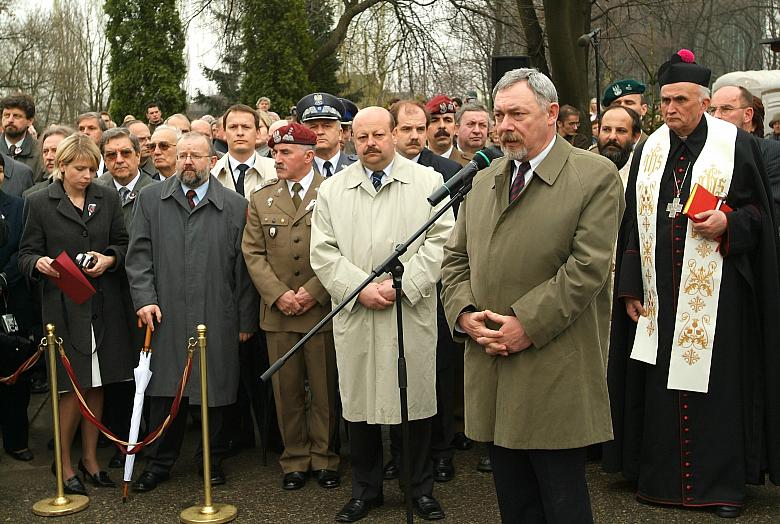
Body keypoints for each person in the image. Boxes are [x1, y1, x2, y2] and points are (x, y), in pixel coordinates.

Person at [440, 68, 624, 523]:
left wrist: (527, 324)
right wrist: (464, 314)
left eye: (517, 114)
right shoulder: (483, 180)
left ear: (552, 114)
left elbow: (588, 269)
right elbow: (454, 259)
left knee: (561, 500)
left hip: (554, 365)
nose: (504, 126)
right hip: (491, 363)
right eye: (499, 115)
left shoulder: (594, 176)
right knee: (514, 501)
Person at [603, 49, 780, 519]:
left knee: (716, 395)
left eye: (680, 100)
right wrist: (631, 287)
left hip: (720, 299)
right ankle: (659, 480)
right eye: (664, 101)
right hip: (661, 298)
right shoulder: (649, 149)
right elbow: (632, 227)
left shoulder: (735, 145)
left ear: (703, 102)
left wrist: (728, 223)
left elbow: (761, 215)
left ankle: (719, 487)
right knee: (661, 391)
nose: (669, 109)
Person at [311, 106, 454, 522]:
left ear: (393, 135)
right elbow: (324, 252)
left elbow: (442, 242)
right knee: (359, 405)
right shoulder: (334, 190)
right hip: (357, 312)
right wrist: (361, 289)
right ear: (350, 140)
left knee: (414, 402)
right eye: (361, 137)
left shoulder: (428, 182)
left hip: (408, 309)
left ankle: (418, 489)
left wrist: (401, 285)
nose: (370, 144)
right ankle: (366, 490)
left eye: (378, 135)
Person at [126, 132, 258, 492]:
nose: (187, 162)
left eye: (195, 156)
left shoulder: (233, 205)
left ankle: (211, 459)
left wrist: (245, 320)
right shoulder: (151, 199)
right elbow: (137, 257)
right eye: (182, 155)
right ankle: (158, 463)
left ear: (211, 161)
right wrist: (144, 299)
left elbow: (244, 270)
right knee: (164, 391)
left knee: (214, 390)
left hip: (217, 313)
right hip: (165, 313)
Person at [18, 133, 133, 495]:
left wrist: (109, 258)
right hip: (64, 307)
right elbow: (25, 253)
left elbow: (123, 242)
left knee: (98, 384)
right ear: (62, 167)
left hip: (104, 306)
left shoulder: (107, 196)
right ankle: (65, 464)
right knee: (71, 388)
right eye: (80, 169)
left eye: (92, 169)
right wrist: (41, 263)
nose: (88, 176)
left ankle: (90, 459)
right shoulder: (38, 202)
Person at [242, 123, 340, 491]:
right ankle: (295, 458)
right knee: (287, 391)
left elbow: (341, 247)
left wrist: (314, 292)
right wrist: (279, 294)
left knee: (324, 389)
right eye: (275, 152)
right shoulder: (261, 197)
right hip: (279, 313)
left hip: (321, 310)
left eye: (285, 153)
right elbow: (252, 253)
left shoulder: (332, 192)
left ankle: (326, 457)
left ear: (308, 156)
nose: (276, 159)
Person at [0, 161, 34, 463]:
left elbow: (24, 249)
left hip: (11, 301)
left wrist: (3, 278)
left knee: (15, 373)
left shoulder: (19, 207)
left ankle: (17, 439)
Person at [296, 93, 356, 177]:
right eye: (313, 127)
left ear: (340, 133)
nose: (320, 132)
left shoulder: (357, 167)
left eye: (327, 126)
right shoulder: (296, 169)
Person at [597, 105, 642, 187]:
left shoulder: (642, 173)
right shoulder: (586, 170)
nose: (612, 137)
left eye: (621, 131)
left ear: (635, 137)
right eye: (606, 129)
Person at [425, 95, 467, 166]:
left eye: (448, 120)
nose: (442, 126)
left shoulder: (469, 165)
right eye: (434, 120)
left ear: (455, 129)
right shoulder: (415, 164)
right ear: (425, 128)